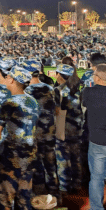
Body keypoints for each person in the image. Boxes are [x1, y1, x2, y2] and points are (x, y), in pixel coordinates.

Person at [0, 65, 39, 210]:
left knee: (4, 197)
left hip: (10, 156)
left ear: (12, 80)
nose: (5, 79)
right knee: (24, 195)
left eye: (7, 77)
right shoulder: (33, 101)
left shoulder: (8, 103)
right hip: (29, 153)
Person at [24, 61, 58, 198]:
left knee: (37, 166)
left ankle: (40, 197)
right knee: (51, 166)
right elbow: (57, 110)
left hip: (34, 135)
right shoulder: (50, 88)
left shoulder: (27, 91)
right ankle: (55, 195)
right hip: (49, 132)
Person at [50, 63, 84, 198]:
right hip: (77, 129)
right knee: (76, 158)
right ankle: (77, 184)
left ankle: (64, 188)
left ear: (59, 75)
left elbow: (56, 111)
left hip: (63, 129)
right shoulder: (78, 89)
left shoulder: (57, 91)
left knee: (63, 160)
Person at [81, 63, 106, 210]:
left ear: (98, 78)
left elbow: (84, 104)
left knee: (97, 178)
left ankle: (96, 208)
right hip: (98, 141)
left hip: (97, 142)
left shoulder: (88, 92)